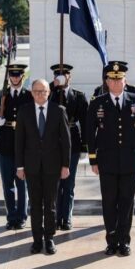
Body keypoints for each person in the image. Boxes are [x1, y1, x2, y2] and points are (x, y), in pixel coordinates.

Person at [86, 61, 135, 257]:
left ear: (125, 80)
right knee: (109, 202)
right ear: (107, 81)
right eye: (112, 80)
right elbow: (90, 132)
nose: (115, 84)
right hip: (106, 162)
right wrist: (93, 160)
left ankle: (124, 241)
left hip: (130, 161)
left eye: (119, 80)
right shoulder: (98, 102)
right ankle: (111, 240)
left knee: (126, 202)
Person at [15, 79, 71, 255]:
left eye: (44, 91)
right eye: (37, 91)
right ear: (31, 93)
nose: (40, 94)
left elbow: (66, 142)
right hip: (31, 167)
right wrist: (19, 166)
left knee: (50, 204)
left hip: (52, 166)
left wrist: (65, 165)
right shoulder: (24, 111)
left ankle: (49, 238)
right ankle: (37, 240)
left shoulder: (58, 111)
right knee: (35, 204)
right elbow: (19, 142)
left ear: (49, 93)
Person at [0, 64, 33, 230]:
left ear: (22, 76)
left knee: (22, 183)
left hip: (23, 145)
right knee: (7, 184)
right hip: (5, 143)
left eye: (18, 76)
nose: (15, 79)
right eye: (13, 76)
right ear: (9, 77)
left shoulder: (29, 96)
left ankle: (22, 216)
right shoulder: (1, 94)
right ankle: (11, 216)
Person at [49, 63, 88, 230]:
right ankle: (56, 217)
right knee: (55, 183)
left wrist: (85, 147)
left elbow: (86, 122)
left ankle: (67, 217)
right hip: (53, 143)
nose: (62, 78)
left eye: (65, 75)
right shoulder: (50, 94)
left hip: (72, 141)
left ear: (70, 77)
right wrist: (53, 87)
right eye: (58, 75)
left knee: (69, 183)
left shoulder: (78, 96)